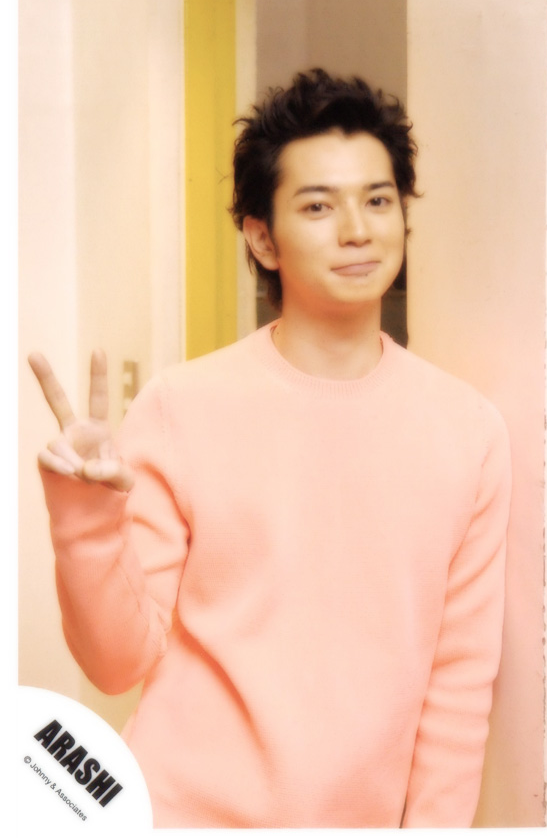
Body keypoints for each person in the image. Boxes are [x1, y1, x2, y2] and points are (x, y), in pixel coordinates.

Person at [29, 68, 512, 828]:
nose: (357, 230)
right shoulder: (182, 406)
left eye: (378, 200)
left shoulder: (468, 432)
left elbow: (457, 690)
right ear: (262, 237)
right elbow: (117, 663)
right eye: (318, 206)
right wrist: (85, 521)